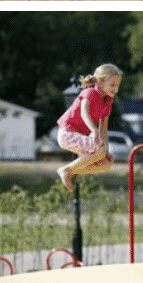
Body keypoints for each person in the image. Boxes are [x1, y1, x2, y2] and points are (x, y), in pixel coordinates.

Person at [55, 64, 122, 192]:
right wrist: (93, 130)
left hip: (79, 136)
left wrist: (105, 151)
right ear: (101, 82)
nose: (115, 89)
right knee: (100, 151)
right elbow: (83, 112)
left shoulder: (107, 101)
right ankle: (66, 170)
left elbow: (104, 128)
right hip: (67, 133)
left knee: (105, 164)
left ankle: (68, 170)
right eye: (112, 85)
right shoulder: (90, 92)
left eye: (117, 86)